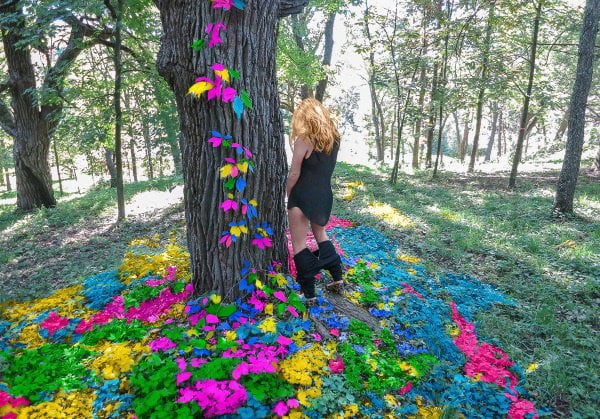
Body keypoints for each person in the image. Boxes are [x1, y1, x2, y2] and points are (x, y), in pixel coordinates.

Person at [286, 98, 344, 304]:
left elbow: (294, 173)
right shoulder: (335, 139)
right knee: (321, 233)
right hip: (323, 194)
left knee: (299, 243)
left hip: (302, 194)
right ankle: (337, 276)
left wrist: (288, 194)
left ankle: (308, 292)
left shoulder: (304, 139)